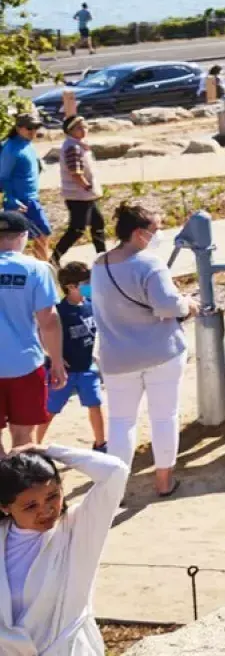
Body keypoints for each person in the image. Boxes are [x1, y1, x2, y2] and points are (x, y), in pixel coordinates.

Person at [91, 201, 193, 496]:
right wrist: (188, 305)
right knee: (164, 416)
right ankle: (164, 480)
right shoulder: (149, 263)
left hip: (116, 355)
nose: (158, 234)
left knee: (121, 423)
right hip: (161, 351)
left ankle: (117, 488)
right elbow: (167, 305)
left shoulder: (100, 264)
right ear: (139, 233)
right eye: (155, 229)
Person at [0, 444, 129, 655]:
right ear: (5, 507)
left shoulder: (78, 529)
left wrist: (47, 450)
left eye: (52, 496)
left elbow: (115, 471)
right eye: (30, 506)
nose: (46, 510)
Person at [0, 213, 62, 451]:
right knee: (24, 439)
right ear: (23, 236)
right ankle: (21, 487)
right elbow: (49, 321)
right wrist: (56, 362)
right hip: (25, 364)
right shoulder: (36, 269)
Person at [47, 262, 105, 451]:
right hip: (66, 372)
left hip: (88, 368)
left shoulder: (91, 305)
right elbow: (43, 331)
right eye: (86, 282)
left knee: (95, 405)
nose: (90, 285)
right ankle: (34, 444)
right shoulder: (59, 311)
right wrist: (53, 355)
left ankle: (100, 443)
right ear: (71, 286)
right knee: (49, 410)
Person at [50, 118, 105, 264]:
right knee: (77, 229)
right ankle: (55, 258)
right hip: (79, 195)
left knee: (98, 224)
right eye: (79, 128)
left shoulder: (79, 145)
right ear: (70, 130)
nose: (84, 130)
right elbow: (76, 173)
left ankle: (102, 255)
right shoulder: (72, 148)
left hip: (86, 195)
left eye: (85, 126)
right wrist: (87, 186)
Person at [0, 114, 50, 260]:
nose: (33, 131)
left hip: (31, 199)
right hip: (21, 202)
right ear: (18, 128)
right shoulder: (11, 149)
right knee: (40, 235)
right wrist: (11, 200)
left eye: (36, 127)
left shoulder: (27, 144)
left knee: (35, 237)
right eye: (29, 128)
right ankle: (44, 270)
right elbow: (3, 177)